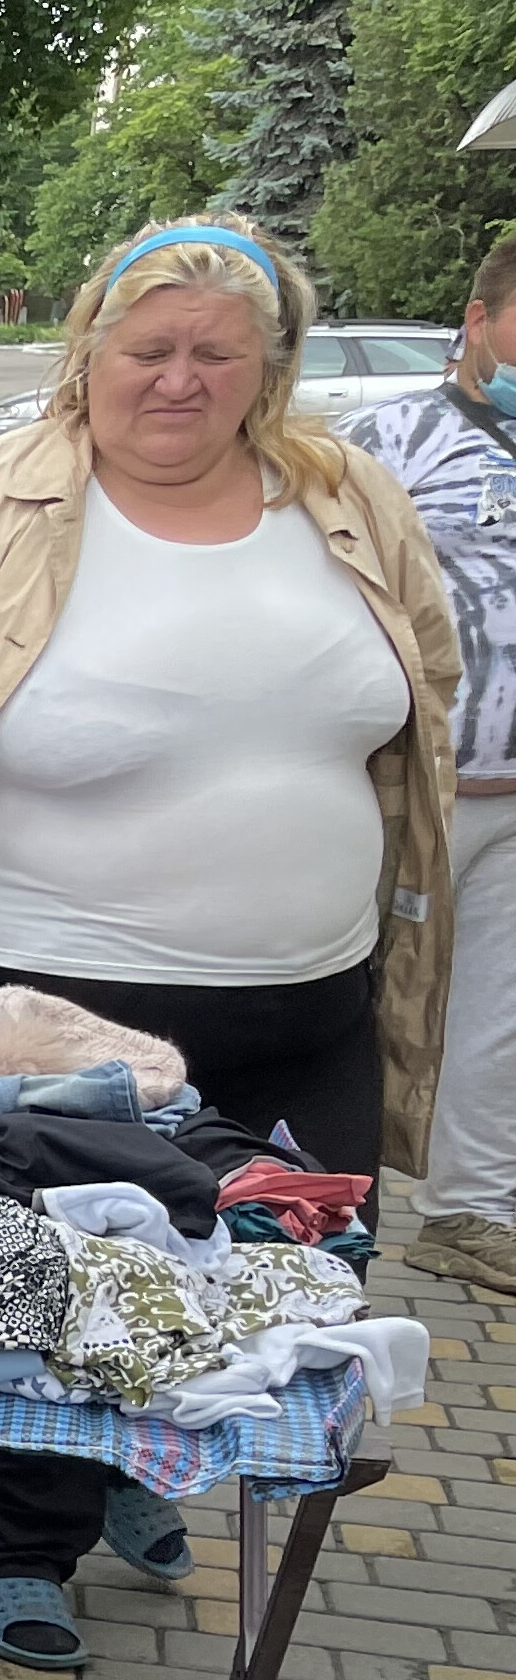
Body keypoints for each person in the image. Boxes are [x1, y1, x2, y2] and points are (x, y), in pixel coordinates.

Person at [0, 217, 456, 1669]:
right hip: (47, 999)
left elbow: (428, 684)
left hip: (309, 1000)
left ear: (270, 367)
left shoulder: (348, 500)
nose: (180, 379)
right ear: (91, 349)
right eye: (150, 349)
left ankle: (156, 1449)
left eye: (219, 353)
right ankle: (22, 1544)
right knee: (44, 1276)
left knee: (284, 1254)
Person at [336, 225, 516, 1298]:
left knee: (500, 1015)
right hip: (408, 783)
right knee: (347, 996)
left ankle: (470, 1211)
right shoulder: (390, 441)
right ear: (479, 322)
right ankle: (298, 1196)